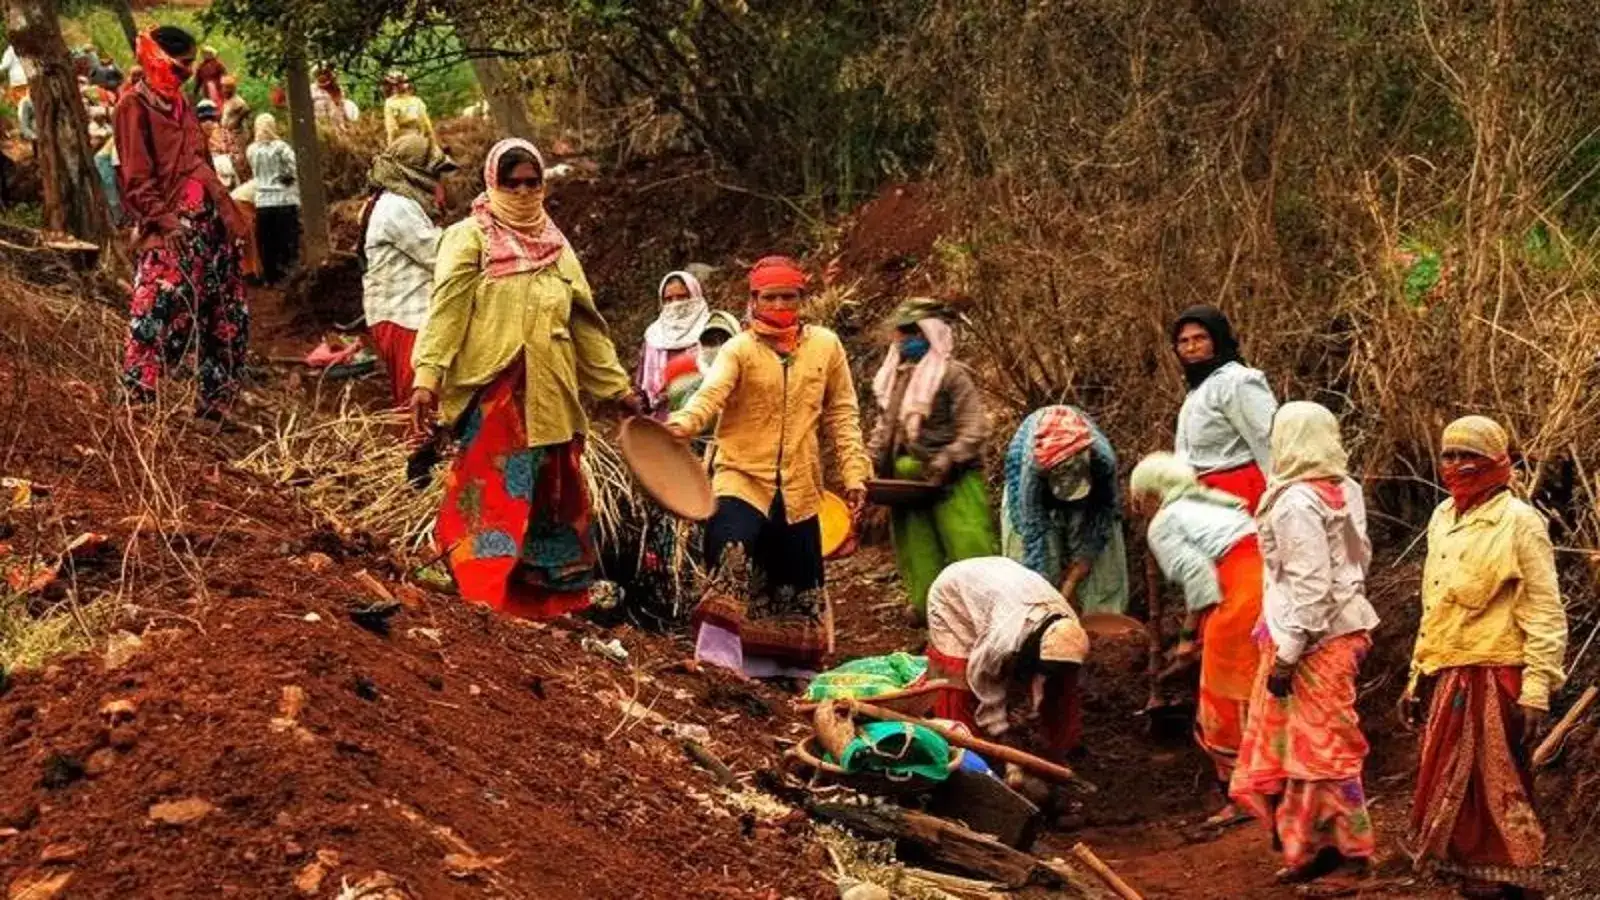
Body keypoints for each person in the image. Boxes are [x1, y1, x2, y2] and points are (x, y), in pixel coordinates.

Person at [410, 137, 640, 619]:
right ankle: (477, 588)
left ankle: (547, 598)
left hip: (551, 393)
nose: (522, 192)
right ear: (492, 183)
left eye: (532, 183)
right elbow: (447, 312)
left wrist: (616, 389)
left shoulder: (557, 248)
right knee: (494, 489)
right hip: (497, 389)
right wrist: (427, 377)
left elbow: (585, 326)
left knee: (552, 492)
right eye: (511, 183)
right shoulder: (470, 237)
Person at [667, 256, 871, 678]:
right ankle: (719, 662)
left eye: (788, 297)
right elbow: (710, 395)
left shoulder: (826, 347)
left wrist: (855, 473)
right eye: (770, 297)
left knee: (796, 567)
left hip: (799, 477)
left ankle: (786, 667)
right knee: (731, 548)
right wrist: (682, 426)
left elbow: (842, 413)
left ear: (802, 299)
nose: (779, 305)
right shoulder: (739, 349)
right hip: (741, 472)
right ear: (754, 300)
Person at [1402, 416, 1567, 900]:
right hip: (1447, 673)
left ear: (1497, 461)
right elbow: (1434, 605)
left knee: (1497, 794)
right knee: (1455, 804)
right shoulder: (1441, 518)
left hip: (1497, 677)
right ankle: (1477, 886)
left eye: (1468, 456)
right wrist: (1416, 675)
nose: (1456, 465)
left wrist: (1538, 688)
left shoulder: (1520, 522)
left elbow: (1544, 608)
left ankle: (1515, 885)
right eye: (1449, 455)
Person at [1228, 402, 1381, 884]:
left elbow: (1309, 588)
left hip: (1309, 640)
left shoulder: (1296, 501)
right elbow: (1359, 559)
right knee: (1309, 747)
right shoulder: (1343, 489)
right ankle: (1315, 846)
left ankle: (1351, 854)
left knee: (1321, 750)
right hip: (1345, 627)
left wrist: (1288, 656)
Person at [115, 25, 248, 422]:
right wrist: (167, 223)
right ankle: (139, 405)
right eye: (183, 64)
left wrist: (228, 221)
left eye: (192, 64)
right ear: (158, 59)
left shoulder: (181, 104)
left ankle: (216, 407)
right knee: (153, 314)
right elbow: (136, 180)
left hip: (211, 225)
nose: (189, 72)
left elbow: (201, 162)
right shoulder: (132, 106)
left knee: (227, 316)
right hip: (173, 228)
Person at [1130, 452, 1264, 825]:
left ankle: (1243, 796)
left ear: (1151, 495)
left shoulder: (1165, 521)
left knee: (1223, 699)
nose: (1136, 506)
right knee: (1261, 689)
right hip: (1270, 588)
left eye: (1137, 498)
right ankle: (1274, 781)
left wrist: (1188, 640)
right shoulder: (1212, 502)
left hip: (1242, 596)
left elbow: (1201, 582)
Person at [867, 297, 996, 623]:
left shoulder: (953, 376)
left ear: (932, 333)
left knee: (969, 547)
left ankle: (981, 616)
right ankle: (933, 615)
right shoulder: (896, 378)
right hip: (906, 481)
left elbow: (975, 427)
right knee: (918, 553)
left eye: (913, 333)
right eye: (902, 334)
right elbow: (886, 426)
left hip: (955, 480)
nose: (906, 341)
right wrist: (868, 462)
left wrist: (948, 458)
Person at [926, 556, 1090, 761]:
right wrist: (1001, 730)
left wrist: (1035, 705)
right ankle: (967, 751)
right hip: (956, 591)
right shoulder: (1002, 642)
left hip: (1004, 586)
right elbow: (983, 680)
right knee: (959, 678)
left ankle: (1061, 748)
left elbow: (1052, 674)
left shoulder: (1070, 626)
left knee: (1060, 683)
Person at [1001, 405, 1129, 614]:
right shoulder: (1032, 472)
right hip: (1034, 497)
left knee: (1102, 567)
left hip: (1092, 497)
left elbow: (1104, 509)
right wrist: (1045, 586)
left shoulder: (1102, 460)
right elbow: (1033, 532)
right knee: (1036, 574)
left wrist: (1085, 556)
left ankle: (1101, 618)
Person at [361, 134, 456, 409]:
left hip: (406, 316)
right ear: (417, 172)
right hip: (405, 317)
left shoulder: (400, 202)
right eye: (435, 174)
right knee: (419, 404)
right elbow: (440, 255)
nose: (439, 182)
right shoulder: (396, 207)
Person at [1171, 306, 1278, 512]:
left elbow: (1266, 439)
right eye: (1183, 341)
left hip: (1242, 490)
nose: (1191, 347)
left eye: (1200, 338)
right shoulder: (1197, 391)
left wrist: (1277, 496)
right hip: (1206, 495)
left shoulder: (1238, 381)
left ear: (1217, 340)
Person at [636, 270, 711, 418]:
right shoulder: (654, 336)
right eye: (668, 299)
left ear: (695, 296)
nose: (675, 304)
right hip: (664, 420)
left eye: (682, 297)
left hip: (705, 418)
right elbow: (641, 385)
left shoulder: (711, 329)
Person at [245, 113, 299, 283]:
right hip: (283, 199)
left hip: (262, 200)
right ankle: (289, 277)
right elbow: (295, 165)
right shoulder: (281, 147)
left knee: (268, 243)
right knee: (286, 240)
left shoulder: (251, 149)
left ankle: (270, 277)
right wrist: (288, 176)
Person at [660, 309, 740, 416]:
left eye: (724, 339)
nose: (717, 346)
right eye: (710, 341)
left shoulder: (752, 373)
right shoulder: (685, 382)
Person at [382, 71, 434, 145]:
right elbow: (427, 127)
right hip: (420, 140)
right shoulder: (417, 101)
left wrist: (390, 146)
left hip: (402, 142)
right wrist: (432, 145)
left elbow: (392, 129)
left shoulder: (390, 103)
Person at [194, 100, 237, 189]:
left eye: (211, 119)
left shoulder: (224, 134)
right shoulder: (193, 138)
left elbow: (234, 157)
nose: (208, 123)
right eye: (204, 120)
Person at [218, 75, 251, 178]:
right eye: (223, 87)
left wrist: (235, 122)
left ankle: (244, 180)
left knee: (240, 162)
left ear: (232, 88)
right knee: (232, 162)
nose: (223, 90)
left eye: (226, 87)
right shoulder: (228, 100)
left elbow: (246, 109)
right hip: (230, 136)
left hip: (237, 136)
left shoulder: (237, 101)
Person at [311, 66, 348, 130]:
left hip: (337, 128)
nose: (322, 76)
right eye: (320, 73)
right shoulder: (311, 89)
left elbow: (341, 111)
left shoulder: (338, 89)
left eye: (325, 73)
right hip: (319, 127)